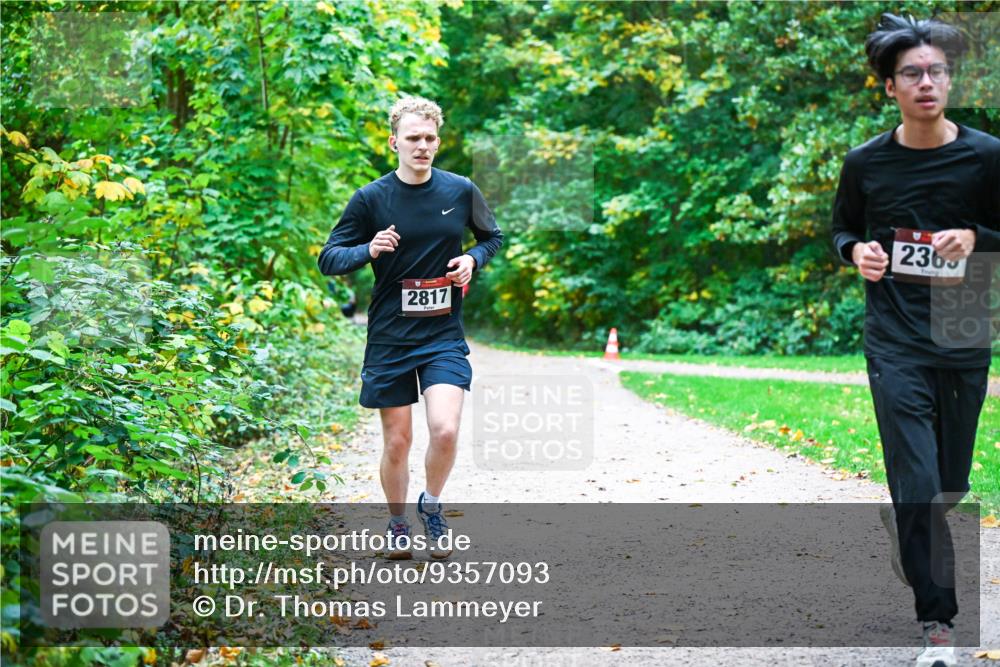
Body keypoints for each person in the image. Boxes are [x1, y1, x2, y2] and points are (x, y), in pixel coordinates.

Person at [832, 13, 1000, 667]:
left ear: (949, 80)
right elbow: (843, 230)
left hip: (962, 322)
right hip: (895, 333)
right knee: (921, 479)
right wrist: (859, 254)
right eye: (912, 73)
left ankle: (911, 526)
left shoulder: (987, 156)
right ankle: (938, 625)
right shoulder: (866, 162)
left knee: (948, 482)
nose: (926, 82)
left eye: (936, 71)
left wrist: (979, 240)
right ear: (890, 87)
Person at [318, 96, 503, 560]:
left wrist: (471, 259)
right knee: (397, 441)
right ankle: (398, 522)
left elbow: (492, 237)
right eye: (413, 138)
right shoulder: (371, 198)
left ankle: (432, 507)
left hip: (442, 335)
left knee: (444, 430)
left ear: (438, 142)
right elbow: (329, 259)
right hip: (390, 337)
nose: (422, 146)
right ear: (394, 141)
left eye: (429, 139)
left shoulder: (460, 191)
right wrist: (369, 249)